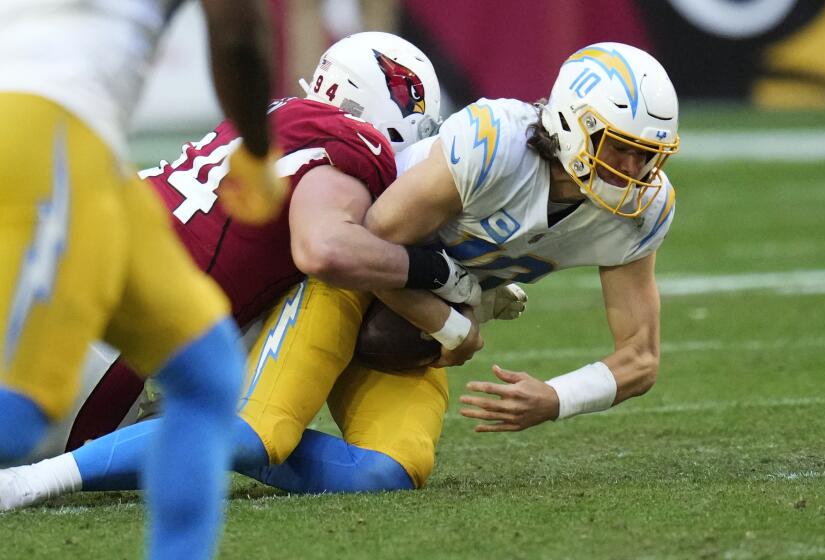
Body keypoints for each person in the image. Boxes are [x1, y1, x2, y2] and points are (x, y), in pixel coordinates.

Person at [0, 31, 485, 506]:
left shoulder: (269, 117)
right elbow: (325, 248)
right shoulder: (353, 144)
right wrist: (435, 272)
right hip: (112, 335)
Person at [0, 1, 284, 558]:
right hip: (47, 128)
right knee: (16, 420)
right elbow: (238, 31)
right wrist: (256, 148)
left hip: (84, 148)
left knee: (206, 373)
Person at [365, 41, 680, 433]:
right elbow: (368, 244)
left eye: (646, 153)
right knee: (270, 433)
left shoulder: (642, 209)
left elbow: (641, 357)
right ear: (573, 123)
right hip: (326, 272)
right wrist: (454, 319)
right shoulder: (496, 146)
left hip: (409, 305)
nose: (633, 169)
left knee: (396, 468)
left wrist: (556, 397)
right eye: (619, 148)